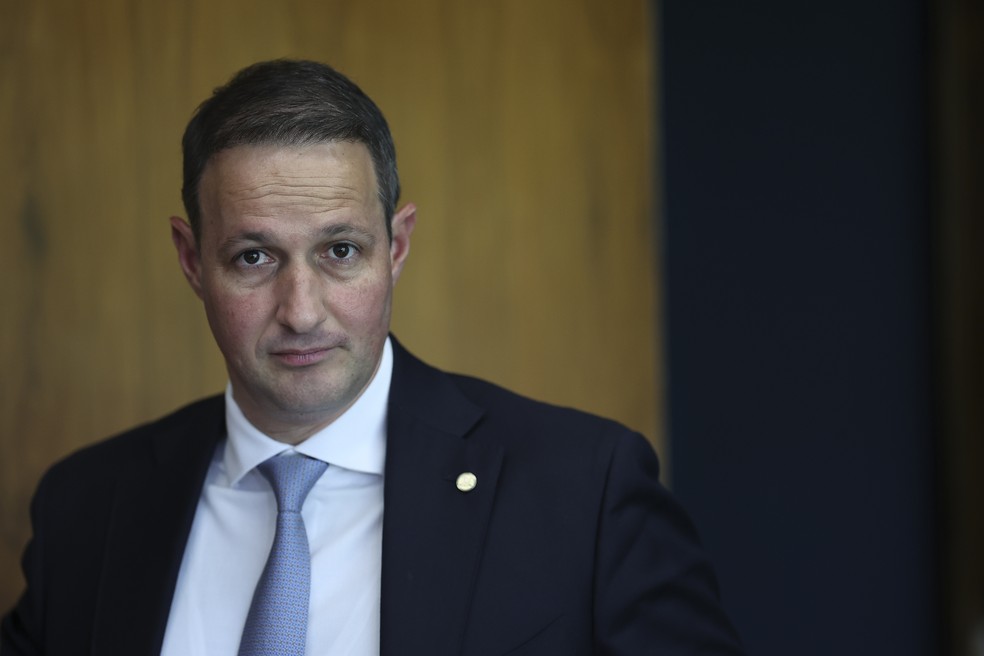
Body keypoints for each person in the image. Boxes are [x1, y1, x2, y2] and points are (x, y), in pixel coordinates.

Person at [0, 59, 744, 655]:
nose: (301, 310)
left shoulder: (584, 492)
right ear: (193, 261)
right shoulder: (86, 509)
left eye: (341, 251)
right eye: (254, 256)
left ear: (399, 247)